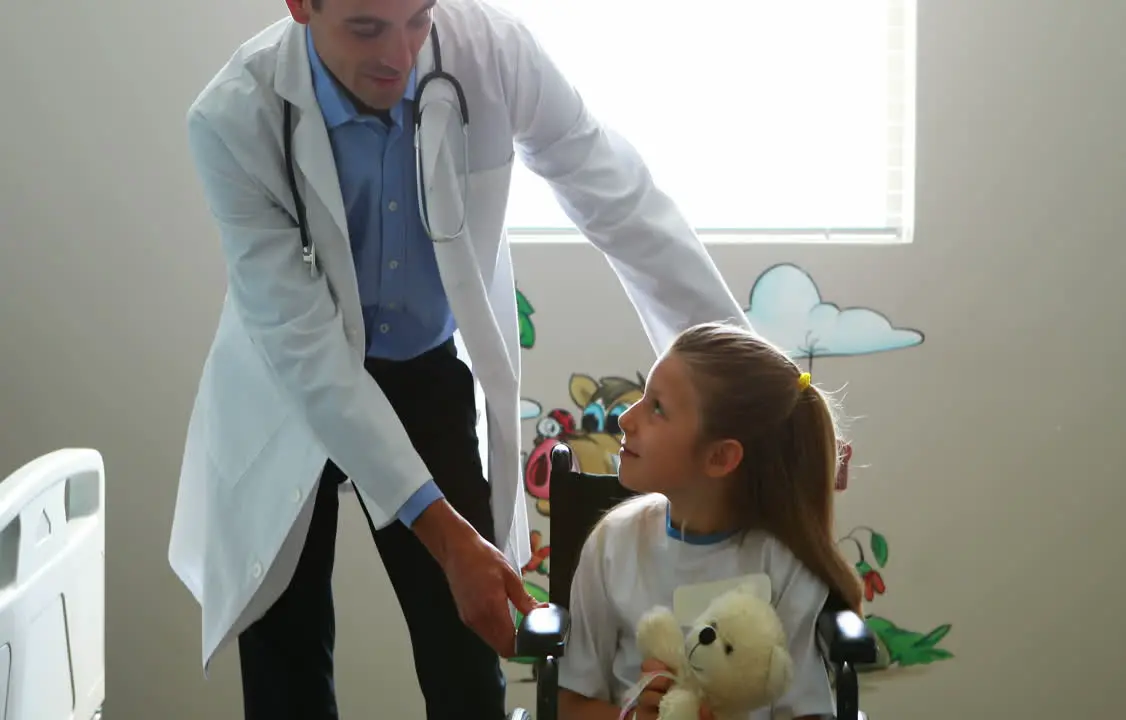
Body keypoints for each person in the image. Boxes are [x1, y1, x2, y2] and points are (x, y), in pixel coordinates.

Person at [166, 0, 750, 717]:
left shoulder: (492, 53)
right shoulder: (233, 117)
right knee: (286, 666)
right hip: (291, 384)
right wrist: (444, 535)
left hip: (424, 372)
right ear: (299, 6)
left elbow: (618, 198)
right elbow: (307, 348)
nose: (401, 52)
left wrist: (756, 386)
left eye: (417, 17)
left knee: (467, 665)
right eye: (367, 27)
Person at [557, 322, 865, 720]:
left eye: (657, 408)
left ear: (719, 457)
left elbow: (805, 712)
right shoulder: (613, 543)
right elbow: (568, 704)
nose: (626, 419)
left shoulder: (785, 563)